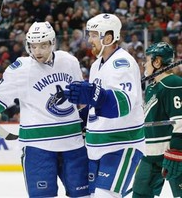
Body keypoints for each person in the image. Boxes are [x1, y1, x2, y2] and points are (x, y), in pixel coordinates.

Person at [0, 21, 90, 197]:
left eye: (43, 45)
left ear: (52, 43)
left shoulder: (69, 61)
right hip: (38, 147)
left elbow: (82, 97)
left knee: (84, 195)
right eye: (34, 46)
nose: (38, 51)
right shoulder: (20, 69)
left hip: (72, 143)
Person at [63, 13, 145, 198]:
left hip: (121, 144)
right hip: (96, 146)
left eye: (93, 35)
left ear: (108, 38)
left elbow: (123, 104)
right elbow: (96, 107)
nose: (89, 40)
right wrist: (79, 118)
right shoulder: (96, 66)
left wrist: (95, 95)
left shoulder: (122, 63)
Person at [132, 42, 182, 198]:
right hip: (151, 155)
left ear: (157, 62)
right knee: (140, 193)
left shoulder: (173, 83)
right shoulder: (152, 86)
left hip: (172, 155)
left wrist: (176, 152)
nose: (144, 65)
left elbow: (180, 121)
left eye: (146, 60)